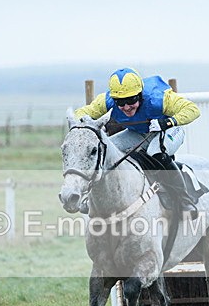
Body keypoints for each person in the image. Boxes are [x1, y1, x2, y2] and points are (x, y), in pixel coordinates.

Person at [74, 67, 201, 215]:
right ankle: (90, 198)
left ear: (140, 95)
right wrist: (90, 125)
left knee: (155, 152)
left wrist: (167, 122)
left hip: (169, 130)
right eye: (120, 102)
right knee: (105, 150)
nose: (126, 107)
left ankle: (184, 199)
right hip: (138, 133)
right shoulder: (105, 101)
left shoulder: (157, 98)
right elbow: (80, 114)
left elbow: (193, 109)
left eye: (131, 100)